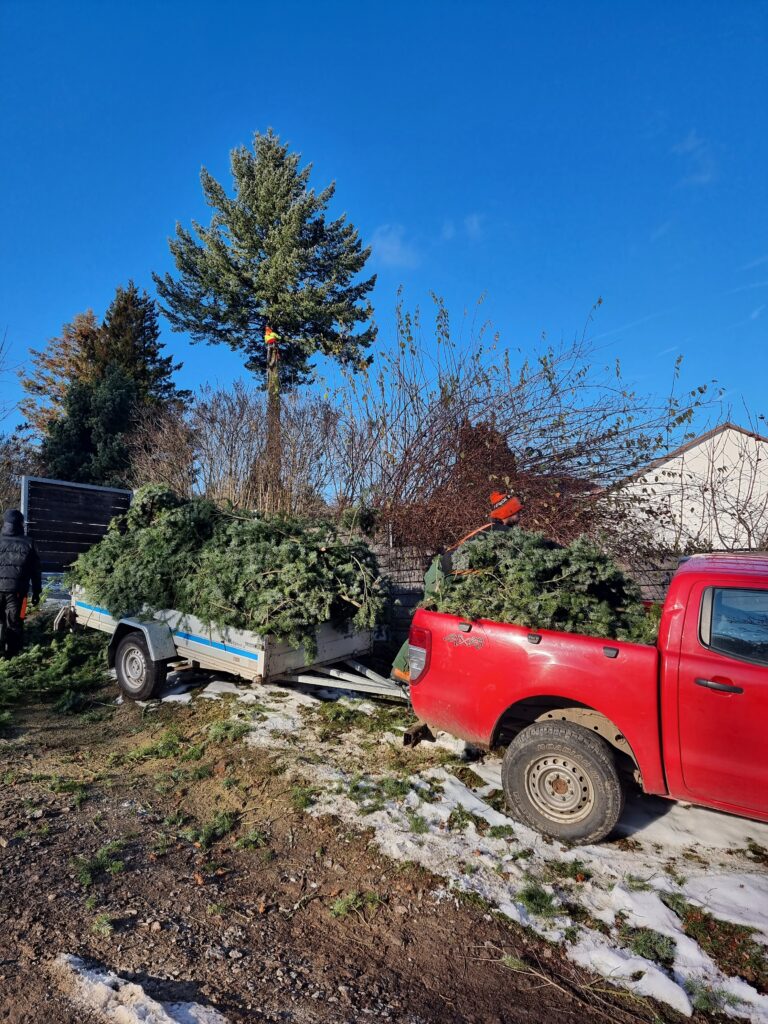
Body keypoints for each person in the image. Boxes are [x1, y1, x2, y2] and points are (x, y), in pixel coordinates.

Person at [391, 490, 524, 682]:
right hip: (442, 576)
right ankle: (402, 668)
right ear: (507, 513)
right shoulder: (500, 533)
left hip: (451, 575)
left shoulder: (495, 532)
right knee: (431, 621)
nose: (520, 516)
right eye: (517, 512)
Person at [0, 509, 42, 658]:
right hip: (19, 593)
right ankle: (12, 656)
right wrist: (37, 591)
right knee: (16, 622)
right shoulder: (29, 543)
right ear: (20, 524)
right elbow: (36, 571)